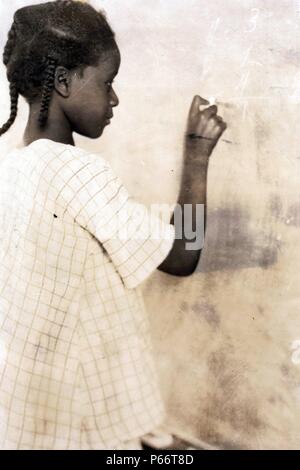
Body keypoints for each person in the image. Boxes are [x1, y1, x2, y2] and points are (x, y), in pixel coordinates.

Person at [0, 0, 226, 450]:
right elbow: (183, 256)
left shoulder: (12, 165)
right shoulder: (79, 173)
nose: (115, 98)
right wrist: (198, 153)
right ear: (63, 82)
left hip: (23, 401)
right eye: (108, 82)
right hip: (77, 414)